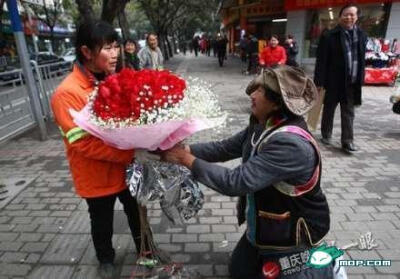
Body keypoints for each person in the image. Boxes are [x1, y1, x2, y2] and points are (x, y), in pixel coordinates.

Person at [162, 66, 331, 279]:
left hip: (292, 236)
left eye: (259, 91)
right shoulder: (263, 124)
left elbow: (237, 181)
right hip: (266, 227)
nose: (252, 94)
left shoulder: (291, 145)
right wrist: (184, 150)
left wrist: (184, 160)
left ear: (276, 103)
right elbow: (225, 147)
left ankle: (318, 268)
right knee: (239, 270)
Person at [51, 20, 143, 279]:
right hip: (96, 174)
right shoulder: (67, 94)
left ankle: (145, 250)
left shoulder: (115, 80)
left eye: (116, 47)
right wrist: (131, 153)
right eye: (107, 48)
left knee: (137, 211)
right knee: (101, 221)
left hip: (126, 170)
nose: (115, 53)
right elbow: (82, 143)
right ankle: (105, 258)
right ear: (87, 52)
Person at [314, 4, 367, 153]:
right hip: (332, 82)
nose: (349, 17)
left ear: (356, 17)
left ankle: (347, 141)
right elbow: (321, 61)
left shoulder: (362, 35)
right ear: (340, 17)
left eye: (352, 15)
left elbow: (361, 59)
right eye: (345, 14)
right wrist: (319, 82)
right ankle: (326, 133)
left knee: (348, 112)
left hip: (351, 82)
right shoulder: (329, 35)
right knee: (329, 109)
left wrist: (361, 79)